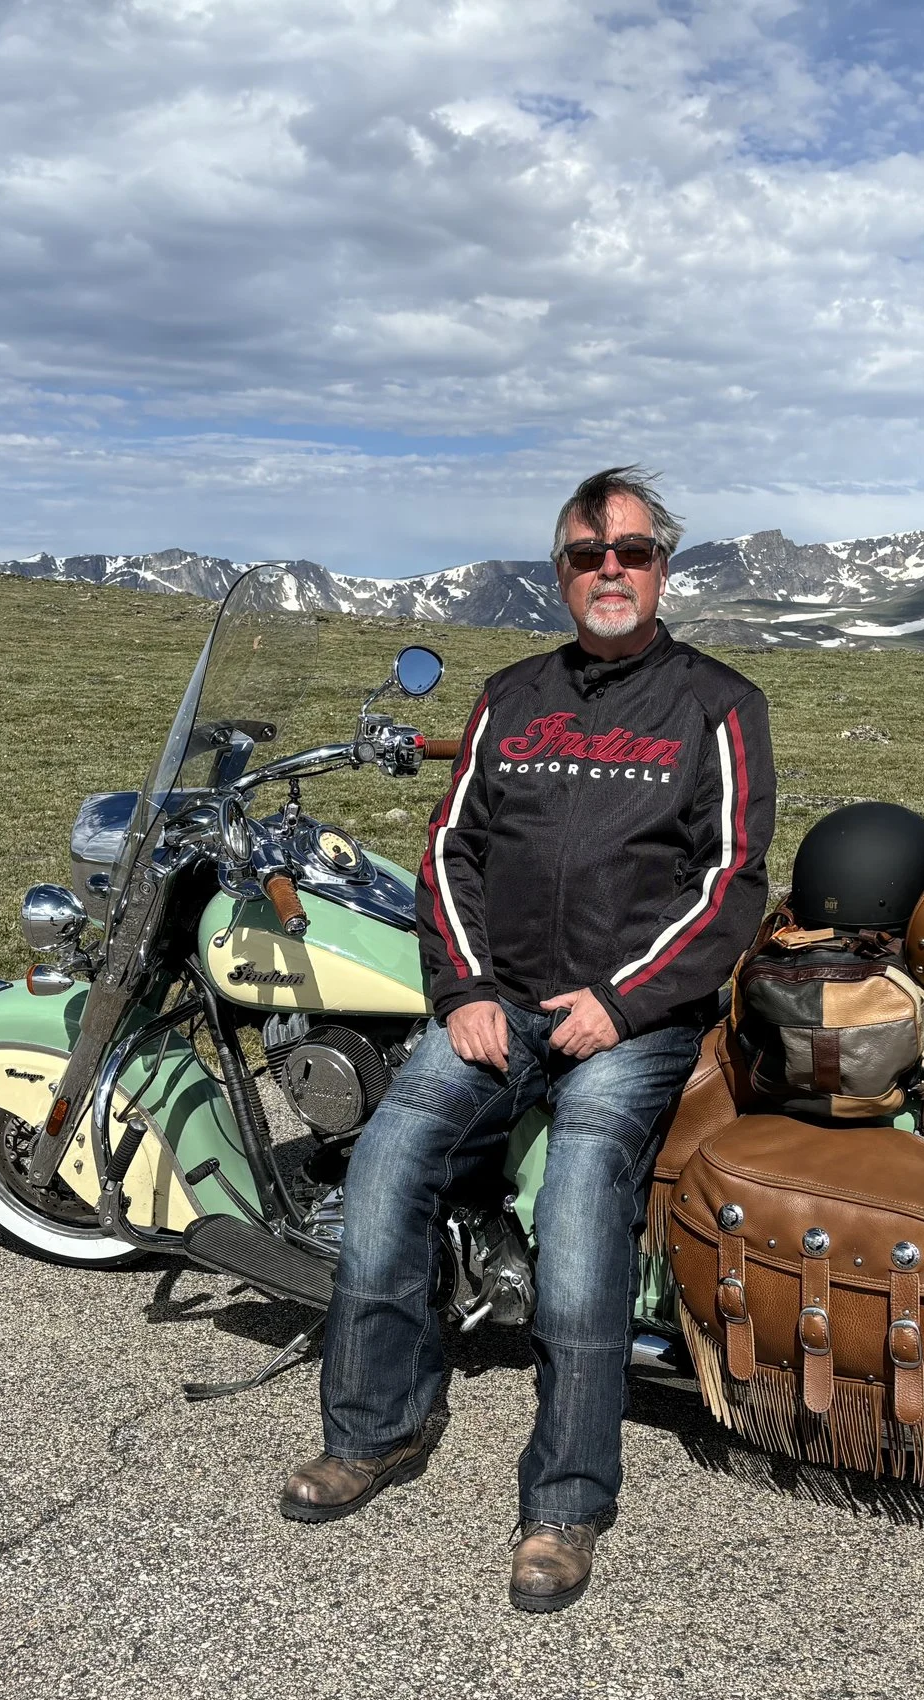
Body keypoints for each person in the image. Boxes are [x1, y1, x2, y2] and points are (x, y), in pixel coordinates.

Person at [279, 466, 776, 1613]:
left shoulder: (717, 703)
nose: (611, 569)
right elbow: (450, 850)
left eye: (634, 552)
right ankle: (377, 1428)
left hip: (629, 1022)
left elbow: (727, 884)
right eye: (587, 553)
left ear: (664, 567)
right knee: (389, 1163)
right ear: (559, 572)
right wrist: (464, 991)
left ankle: (565, 1501)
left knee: (582, 1209)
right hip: (499, 1006)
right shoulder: (510, 694)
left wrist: (625, 1000)